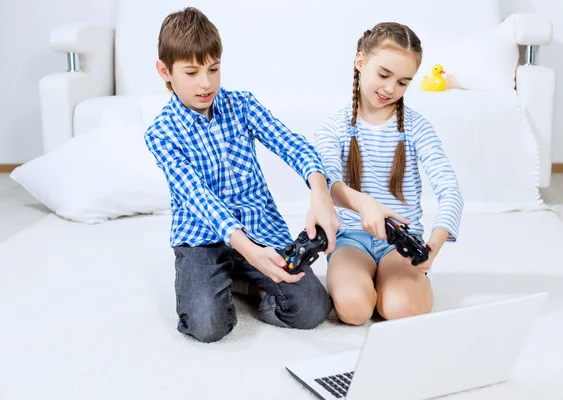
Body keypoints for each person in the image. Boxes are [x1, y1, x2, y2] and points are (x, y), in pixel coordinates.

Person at [145, 7, 340, 343]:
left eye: (214, 69)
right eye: (191, 72)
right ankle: (228, 282)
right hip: (202, 238)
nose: (206, 83)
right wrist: (247, 250)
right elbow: (198, 198)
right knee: (208, 326)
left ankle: (243, 282)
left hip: (260, 228)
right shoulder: (160, 133)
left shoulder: (243, 106)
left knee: (311, 309)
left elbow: (292, 145)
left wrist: (320, 193)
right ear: (165, 71)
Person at [314, 22, 464, 326]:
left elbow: (449, 189)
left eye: (402, 82)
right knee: (354, 310)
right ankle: (366, 282)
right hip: (349, 240)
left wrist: (436, 240)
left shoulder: (417, 127)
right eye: (383, 75)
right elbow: (328, 185)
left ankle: (398, 284)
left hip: (400, 241)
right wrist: (364, 204)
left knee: (399, 309)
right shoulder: (332, 127)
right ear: (360, 62)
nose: (389, 89)